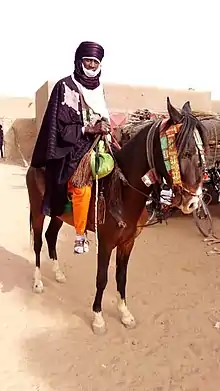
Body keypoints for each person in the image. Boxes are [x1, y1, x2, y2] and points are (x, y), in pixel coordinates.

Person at [31, 41, 111, 254]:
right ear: (79, 61)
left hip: (99, 144)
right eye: (88, 61)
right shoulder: (65, 86)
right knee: (81, 184)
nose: (92, 66)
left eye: (96, 62)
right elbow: (58, 126)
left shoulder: (100, 88)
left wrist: (106, 126)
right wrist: (88, 129)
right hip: (70, 146)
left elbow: (102, 114)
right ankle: (80, 234)